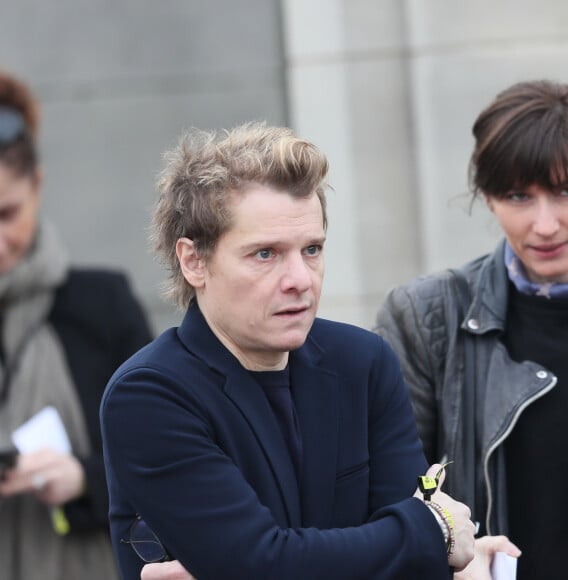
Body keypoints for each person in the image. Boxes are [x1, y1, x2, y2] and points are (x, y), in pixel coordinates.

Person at [100, 121, 476, 580]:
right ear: (194, 260)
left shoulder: (363, 362)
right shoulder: (149, 395)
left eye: (312, 249)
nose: (300, 278)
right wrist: (431, 529)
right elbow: (259, 562)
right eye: (266, 254)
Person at [375, 79, 568, 579]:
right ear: (488, 198)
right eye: (518, 196)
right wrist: (449, 551)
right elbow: (387, 492)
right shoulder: (426, 317)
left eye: (567, 191)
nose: (545, 224)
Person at [0, 70, 153, 579]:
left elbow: (169, 458)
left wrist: (83, 477)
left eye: (7, 214)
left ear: (38, 186)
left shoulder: (101, 306)